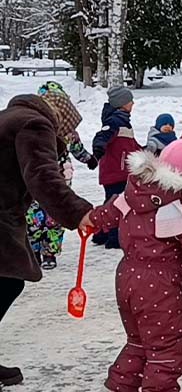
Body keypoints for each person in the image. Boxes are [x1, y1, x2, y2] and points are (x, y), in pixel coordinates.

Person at [86, 140, 182, 392]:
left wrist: (90, 220)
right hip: (159, 287)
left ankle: (121, 386)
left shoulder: (133, 191)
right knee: (167, 347)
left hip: (126, 278)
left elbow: (106, 214)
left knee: (138, 342)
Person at [1, 94, 93, 388]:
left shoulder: (8, 117)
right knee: (6, 282)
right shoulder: (34, 125)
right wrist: (78, 213)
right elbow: (42, 178)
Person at [26, 83, 94, 270]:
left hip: (60, 174)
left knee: (54, 215)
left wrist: (87, 159)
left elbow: (75, 145)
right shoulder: (34, 125)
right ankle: (34, 251)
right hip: (35, 177)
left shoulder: (65, 124)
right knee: (33, 216)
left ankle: (49, 252)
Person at [90, 85, 141, 248]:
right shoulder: (114, 121)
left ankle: (101, 234)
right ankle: (114, 238)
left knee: (110, 203)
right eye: (130, 101)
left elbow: (131, 146)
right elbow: (101, 137)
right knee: (117, 204)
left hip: (120, 171)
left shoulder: (124, 122)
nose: (132, 103)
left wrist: (146, 152)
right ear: (122, 103)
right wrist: (97, 153)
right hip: (114, 171)